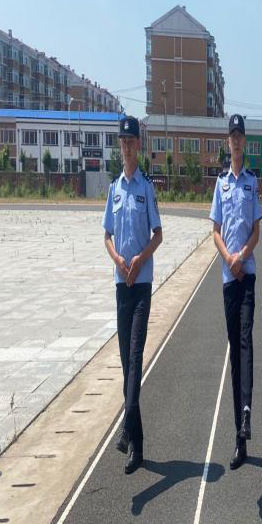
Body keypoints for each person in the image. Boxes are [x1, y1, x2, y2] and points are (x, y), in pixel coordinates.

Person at [102, 116, 163, 474]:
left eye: (131, 141)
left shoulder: (146, 189)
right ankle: (136, 445)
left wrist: (139, 259)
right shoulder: (114, 189)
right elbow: (107, 236)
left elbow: (158, 234)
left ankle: (126, 428)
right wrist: (117, 259)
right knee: (127, 364)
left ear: (139, 145)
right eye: (122, 141)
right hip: (120, 284)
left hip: (141, 284)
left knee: (137, 356)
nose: (126, 146)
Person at [210, 114, 262, 470]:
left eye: (241, 135)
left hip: (247, 273)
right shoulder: (220, 184)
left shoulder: (252, 183)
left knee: (245, 340)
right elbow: (215, 231)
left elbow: (257, 230)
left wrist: (242, 255)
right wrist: (229, 258)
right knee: (234, 352)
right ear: (228, 142)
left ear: (245, 141)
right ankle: (238, 438)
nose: (237, 141)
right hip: (228, 276)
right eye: (233, 136)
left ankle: (246, 411)